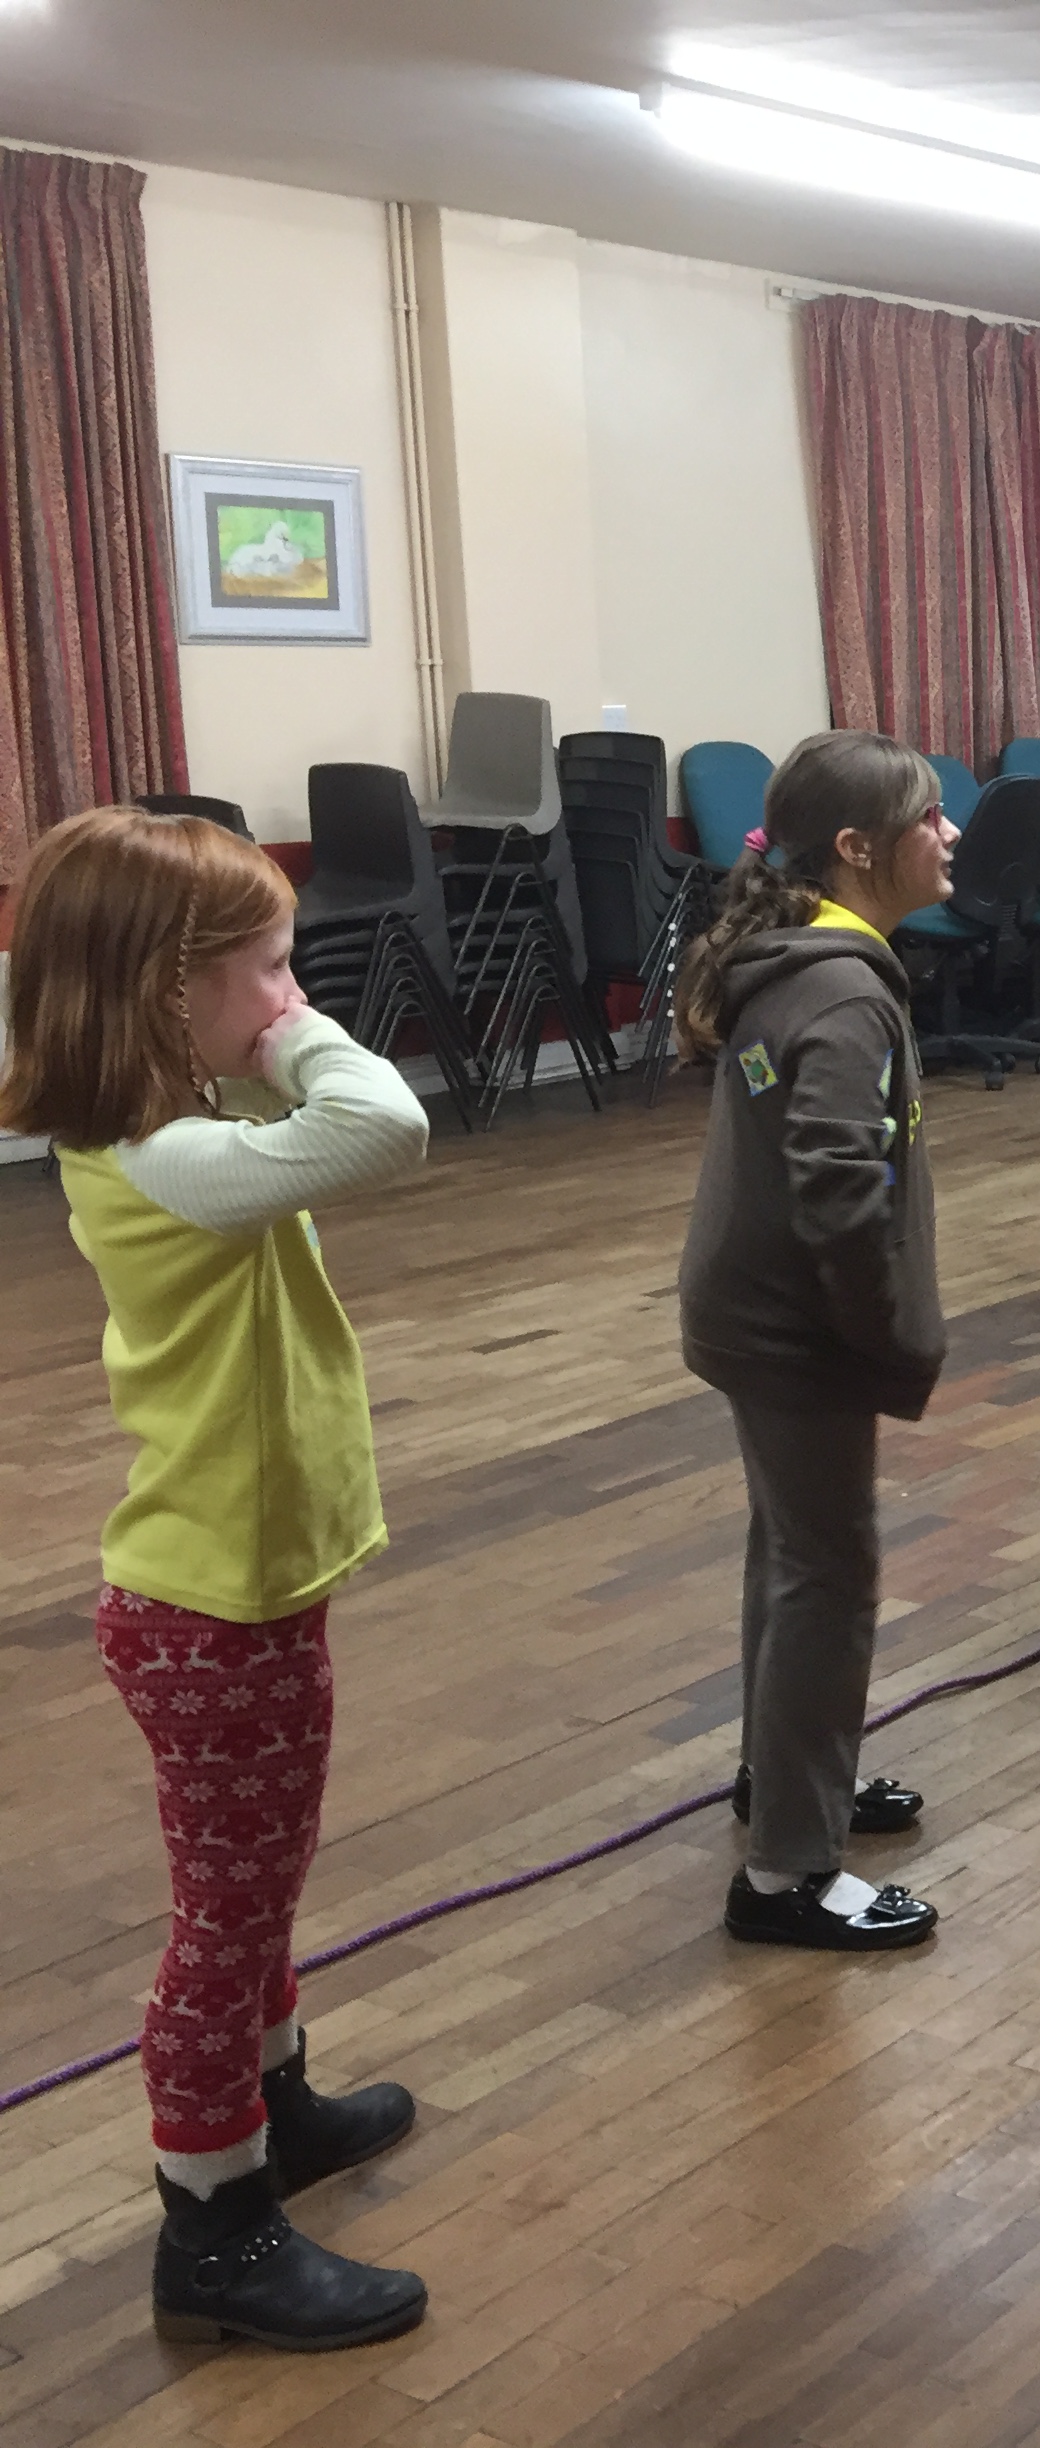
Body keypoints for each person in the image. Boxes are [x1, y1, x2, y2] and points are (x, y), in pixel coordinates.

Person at [1, 807, 431, 2349]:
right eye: (263, 967)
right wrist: (302, 1036)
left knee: (265, 1877)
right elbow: (385, 1121)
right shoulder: (164, 1156)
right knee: (225, 1918)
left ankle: (274, 2102)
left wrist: (258, 1017)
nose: (288, 994)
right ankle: (215, 2223)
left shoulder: (182, 1121)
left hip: (242, 1589)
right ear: (157, 994)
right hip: (207, 1609)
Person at [674, 731, 957, 1952]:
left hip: (754, 1313)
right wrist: (887, 1331)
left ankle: (780, 1778)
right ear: (856, 848)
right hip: (798, 1329)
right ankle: (789, 1873)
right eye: (928, 817)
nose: (950, 833)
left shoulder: (803, 959)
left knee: (788, 1554)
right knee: (829, 1574)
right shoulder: (841, 990)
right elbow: (839, 1189)